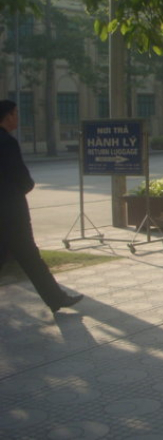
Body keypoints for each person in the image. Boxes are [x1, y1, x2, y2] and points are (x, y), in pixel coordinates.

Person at [0, 100, 83, 313]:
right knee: (29, 256)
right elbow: (22, 178)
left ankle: (56, 298)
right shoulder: (6, 142)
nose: (18, 117)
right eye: (16, 113)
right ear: (8, 116)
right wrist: (25, 187)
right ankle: (56, 298)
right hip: (11, 211)